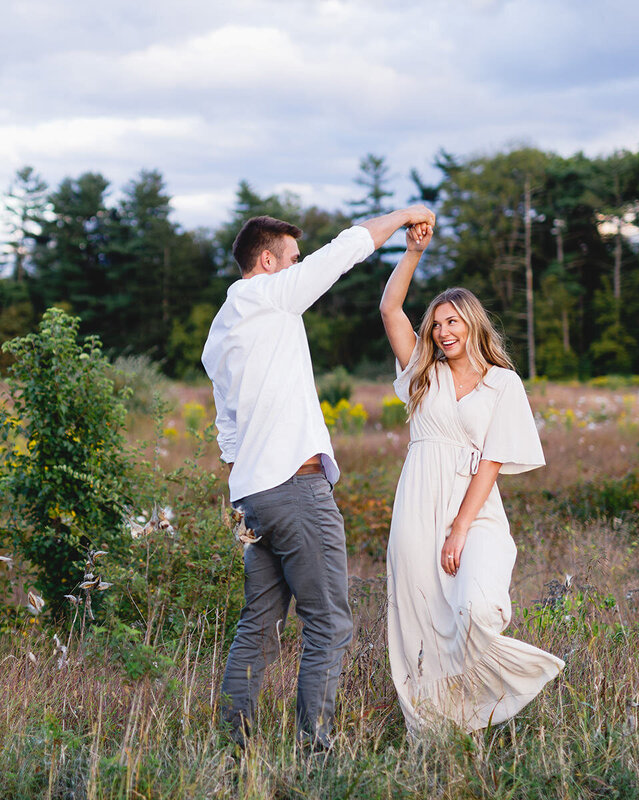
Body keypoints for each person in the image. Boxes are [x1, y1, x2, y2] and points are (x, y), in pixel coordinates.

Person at [203, 204, 437, 750]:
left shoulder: (223, 328)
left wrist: (252, 488)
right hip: (293, 487)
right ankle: (316, 751)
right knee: (329, 624)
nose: (299, 265)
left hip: (256, 496)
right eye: (292, 258)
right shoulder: (268, 295)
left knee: (258, 627)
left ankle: (232, 749)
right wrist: (406, 215)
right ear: (267, 261)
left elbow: (228, 433)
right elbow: (346, 250)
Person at [378, 222, 564, 734]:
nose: (444, 331)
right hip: (416, 509)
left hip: (474, 510)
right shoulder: (423, 373)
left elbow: (492, 461)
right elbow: (390, 310)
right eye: (437, 323)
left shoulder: (504, 383)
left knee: (478, 607)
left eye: (453, 320)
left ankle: (491, 698)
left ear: (473, 324)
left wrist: (460, 527)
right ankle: (438, 733)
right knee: (420, 627)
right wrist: (413, 251)